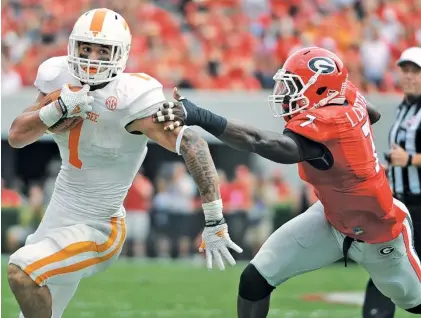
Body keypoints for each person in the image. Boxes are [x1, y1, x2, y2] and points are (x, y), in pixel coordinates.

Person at [6, 8, 242, 318]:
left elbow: (192, 143)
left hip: (99, 227)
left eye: (102, 50)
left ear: (121, 54)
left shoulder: (134, 96)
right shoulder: (57, 77)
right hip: (57, 216)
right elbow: (16, 136)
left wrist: (214, 218)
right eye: (85, 48)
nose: (91, 58)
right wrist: (57, 109)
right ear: (72, 47)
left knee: (21, 271)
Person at [153, 46, 421, 317]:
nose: (286, 94)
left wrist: (200, 116)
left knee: (415, 303)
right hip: (332, 218)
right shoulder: (345, 94)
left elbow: (259, 141)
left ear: (320, 91)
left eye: (295, 86)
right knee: (255, 279)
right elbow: (371, 113)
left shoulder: (331, 120)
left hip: (379, 232)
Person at [362, 47, 421, 318]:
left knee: (395, 264)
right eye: (405, 71)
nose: (408, 76)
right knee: (386, 263)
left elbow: (407, 157)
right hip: (401, 201)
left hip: (420, 204)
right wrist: (389, 168)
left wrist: (409, 159)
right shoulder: (404, 107)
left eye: (415, 72)